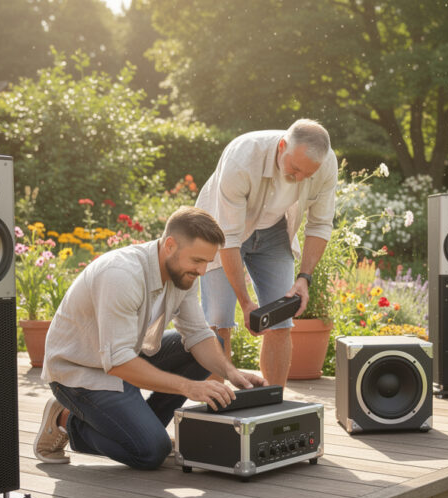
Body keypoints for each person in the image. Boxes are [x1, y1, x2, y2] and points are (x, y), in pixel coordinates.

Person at [34, 207, 266, 469]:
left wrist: (231, 373)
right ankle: (66, 420)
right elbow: (118, 362)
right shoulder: (121, 275)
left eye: (207, 262)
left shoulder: (182, 273)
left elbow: (197, 334)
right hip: (80, 371)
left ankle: (140, 429)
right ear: (170, 245)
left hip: (123, 355)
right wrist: (189, 387)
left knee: (211, 346)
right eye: (197, 261)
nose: (202, 271)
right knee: (151, 452)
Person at [196, 119, 338, 387]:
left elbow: (320, 224)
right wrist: (246, 303)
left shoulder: (326, 163)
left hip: (274, 231)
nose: (299, 179)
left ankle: (273, 401)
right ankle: (217, 404)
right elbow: (229, 238)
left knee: (280, 321)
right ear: (282, 146)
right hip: (222, 229)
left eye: (307, 174)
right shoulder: (241, 157)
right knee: (218, 322)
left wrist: (304, 278)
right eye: (295, 169)